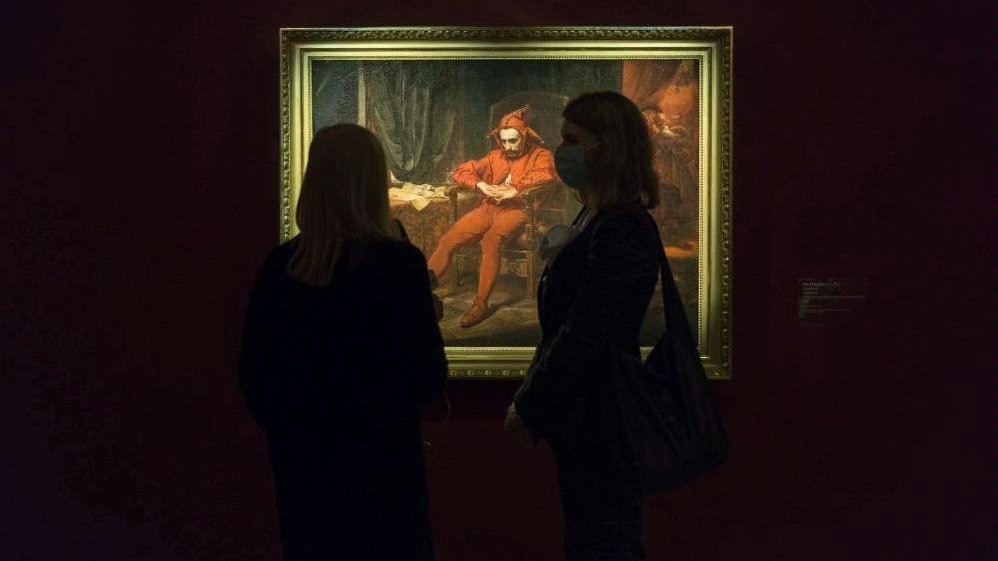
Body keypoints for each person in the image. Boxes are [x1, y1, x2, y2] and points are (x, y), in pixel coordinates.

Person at [238, 124, 448, 561]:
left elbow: (256, 380)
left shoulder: (282, 266)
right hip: (386, 464)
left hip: (304, 467)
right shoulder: (398, 264)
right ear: (373, 183)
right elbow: (429, 377)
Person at [504, 91, 662, 561]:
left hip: (604, 419)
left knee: (603, 542)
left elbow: (585, 330)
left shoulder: (621, 226)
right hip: (587, 417)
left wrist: (529, 402)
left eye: (573, 139)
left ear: (607, 148)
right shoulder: (596, 216)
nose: (562, 150)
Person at [426, 106, 558, 327]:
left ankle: (480, 304)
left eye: (513, 141)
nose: (508, 146)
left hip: (519, 210)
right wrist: (481, 185)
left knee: (491, 240)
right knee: (448, 240)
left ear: (525, 136)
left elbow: (547, 174)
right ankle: (418, 292)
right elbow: (461, 171)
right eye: (504, 141)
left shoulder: (541, 155)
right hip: (488, 208)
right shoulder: (495, 156)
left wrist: (515, 188)